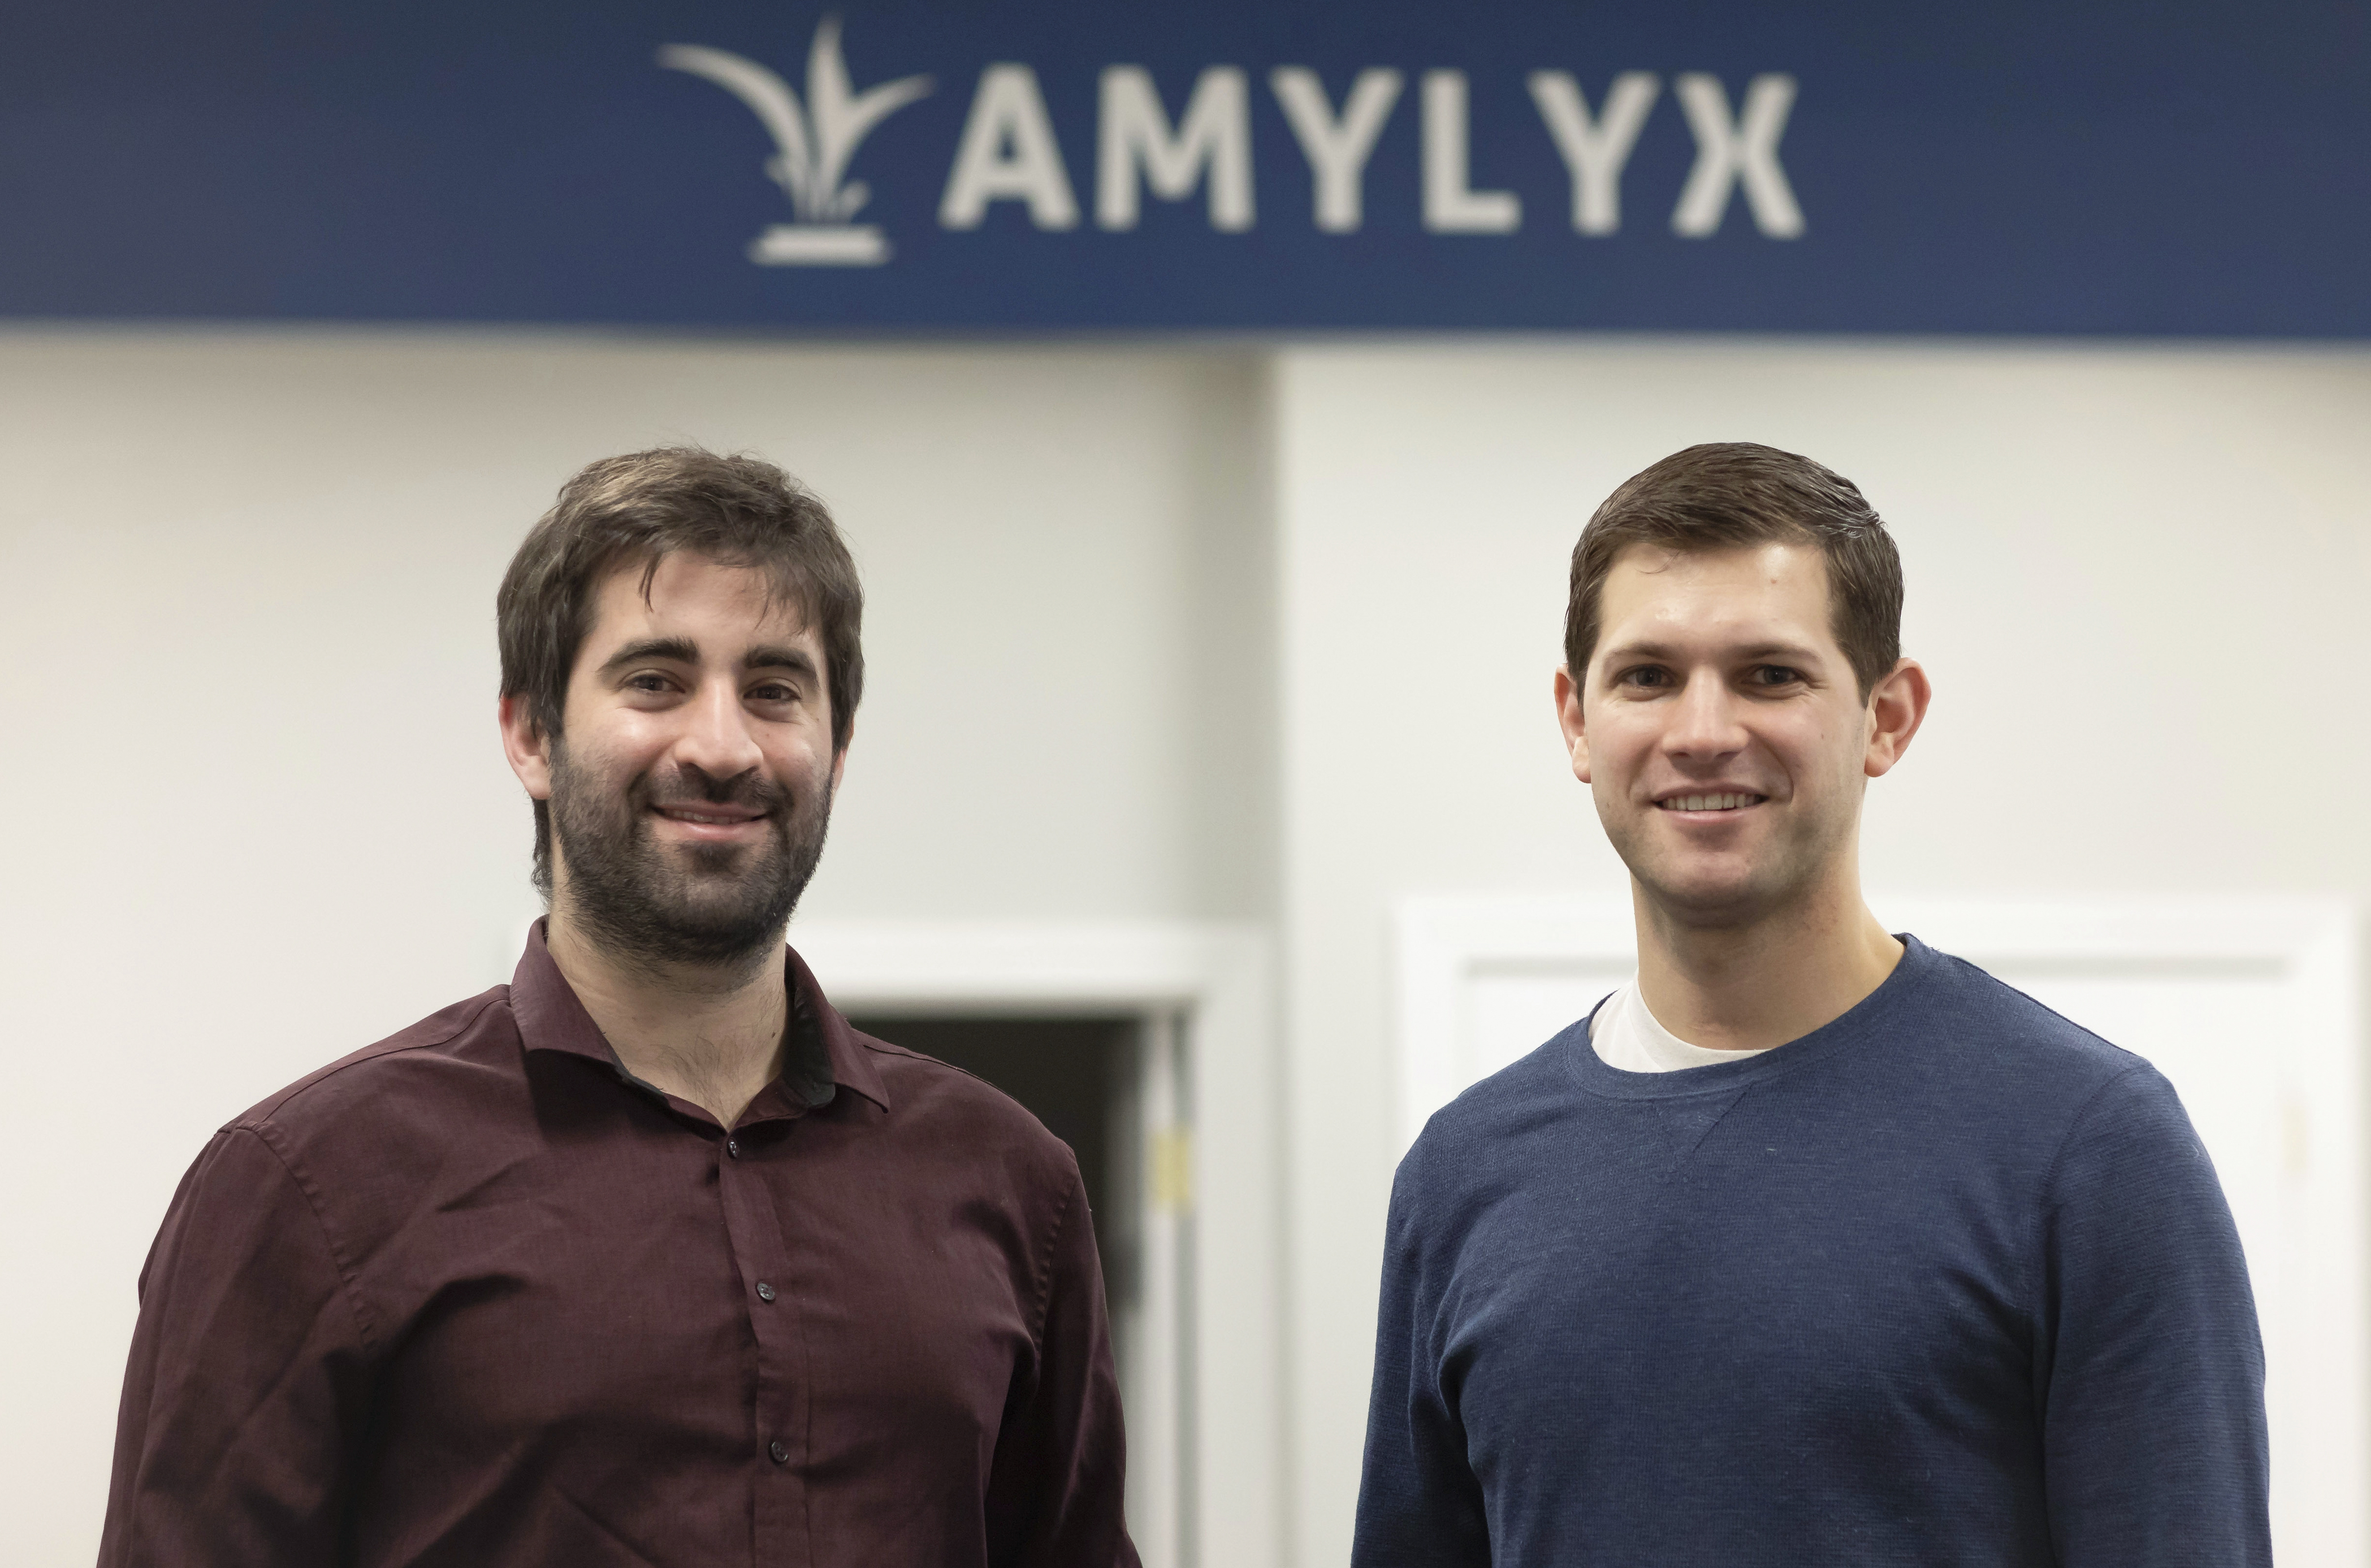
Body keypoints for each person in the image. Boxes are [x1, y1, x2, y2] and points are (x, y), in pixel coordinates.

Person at [100, 448, 1137, 1568]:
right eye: (655, 680)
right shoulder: (308, 1191)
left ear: (837, 753)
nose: (722, 745)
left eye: (776, 690)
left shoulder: (1007, 1185)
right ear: (531, 735)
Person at [1352, 443, 2268, 1565]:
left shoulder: (2085, 1149)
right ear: (1575, 721)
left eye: (1769, 675)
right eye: (1646, 676)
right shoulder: (1463, 1174)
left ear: (1888, 716)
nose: (1701, 732)